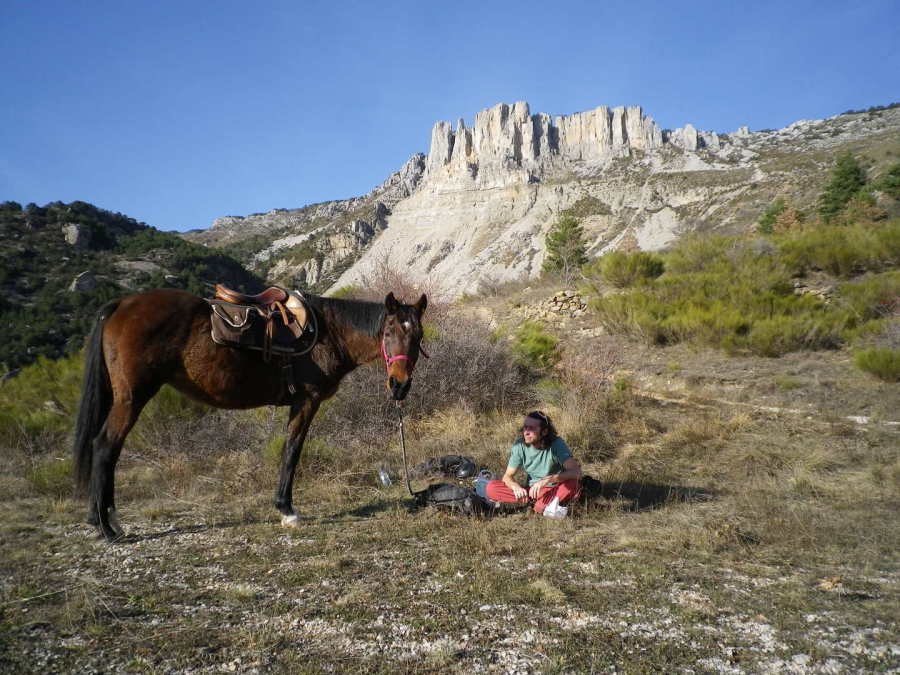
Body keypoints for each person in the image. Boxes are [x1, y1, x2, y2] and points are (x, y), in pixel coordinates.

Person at [478, 411, 582, 515]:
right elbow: (507, 476)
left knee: (573, 483)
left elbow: (576, 472)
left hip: (555, 488)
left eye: (531, 428)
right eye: (525, 427)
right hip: (531, 491)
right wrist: (516, 487)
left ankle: (539, 506)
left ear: (544, 432)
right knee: (491, 487)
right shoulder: (519, 445)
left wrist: (548, 479)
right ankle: (540, 505)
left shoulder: (556, 444)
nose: (526, 432)